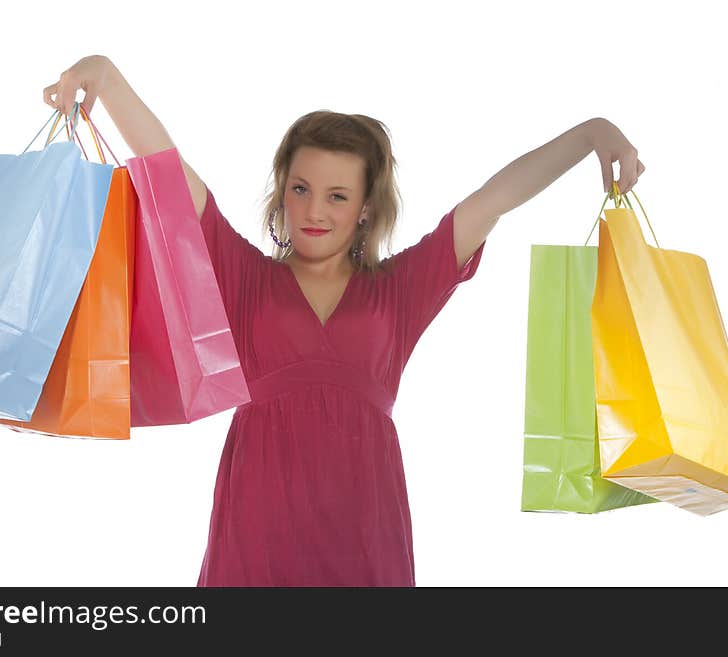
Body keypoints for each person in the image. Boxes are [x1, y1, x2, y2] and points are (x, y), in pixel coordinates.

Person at [45, 55, 645, 586]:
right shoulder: (245, 275)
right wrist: (106, 73)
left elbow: (494, 200)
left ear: (365, 209)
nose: (313, 210)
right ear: (281, 192)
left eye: (337, 195)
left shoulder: (400, 291)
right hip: (257, 523)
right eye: (301, 188)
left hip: (365, 523)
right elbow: (167, 172)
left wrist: (591, 134)